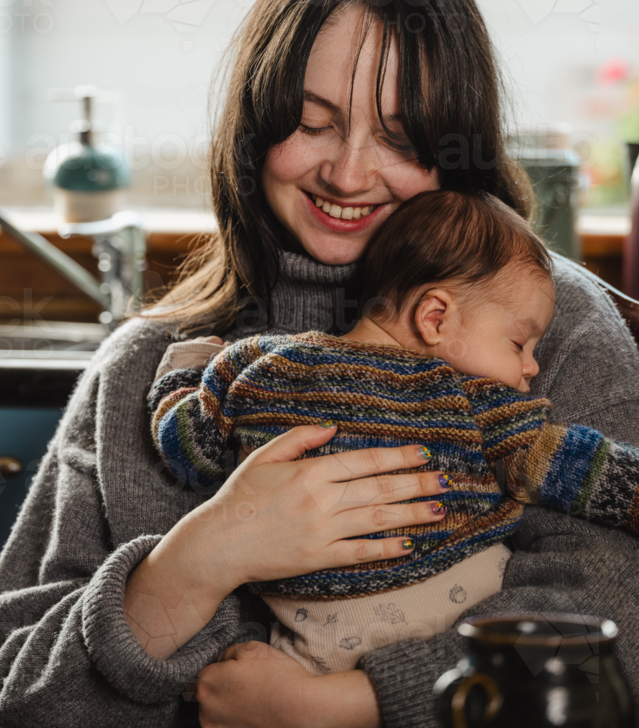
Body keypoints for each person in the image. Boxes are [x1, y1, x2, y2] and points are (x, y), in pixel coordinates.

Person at [0, 0, 639, 728]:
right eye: (313, 125)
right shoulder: (151, 368)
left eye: (401, 139)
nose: (349, 175)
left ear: (458, 150)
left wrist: (357, 703)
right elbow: (7, 699)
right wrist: (197, 561)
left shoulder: (550, 331)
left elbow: (615, 635)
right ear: (254, 131)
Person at [148, 188, 639, 675]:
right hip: (461, 632)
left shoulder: (259, 365)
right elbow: (578, 466)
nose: (531, 367)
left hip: (311, 647)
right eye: (519, 343)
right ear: (435, 317)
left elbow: (188, 450)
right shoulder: (467, 399)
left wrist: (183, 376)